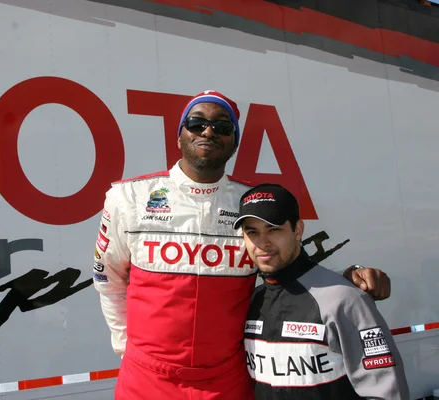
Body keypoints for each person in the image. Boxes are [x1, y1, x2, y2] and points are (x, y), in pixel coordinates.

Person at [92, 90, 391, 399]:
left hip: (226, 380)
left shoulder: (249, 202)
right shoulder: (128, 198)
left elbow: (289, 266)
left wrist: (347, 278)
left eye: (223, 127)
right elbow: (108, 280)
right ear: (180, 134)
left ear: (234, 142)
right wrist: (126, 347)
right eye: (196, 124)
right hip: (146, 379)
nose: (208, 131)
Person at [234, 183, 409, 399]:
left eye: (274, 229)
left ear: (297, 230)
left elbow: (385, 392)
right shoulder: (252, 300)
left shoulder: (344, 298)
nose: (262, 243)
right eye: (252, 232)